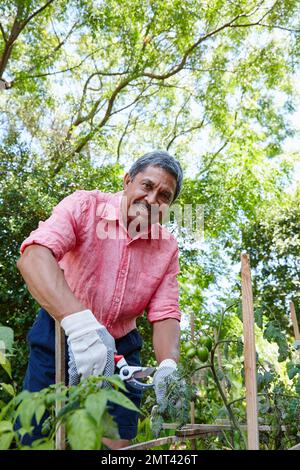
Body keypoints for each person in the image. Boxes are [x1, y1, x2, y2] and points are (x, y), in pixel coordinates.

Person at [16, 150, 183, 449]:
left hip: (122, 346)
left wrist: (169, 363)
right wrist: (80, 324)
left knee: (116, 443)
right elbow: (34, 256)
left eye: (164, 195)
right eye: (147, 186)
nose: (152, 199)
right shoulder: (84, 206)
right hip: (60, 332)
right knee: (36, 432)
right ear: (128, 180)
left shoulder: (167, 247)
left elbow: (165, 311)